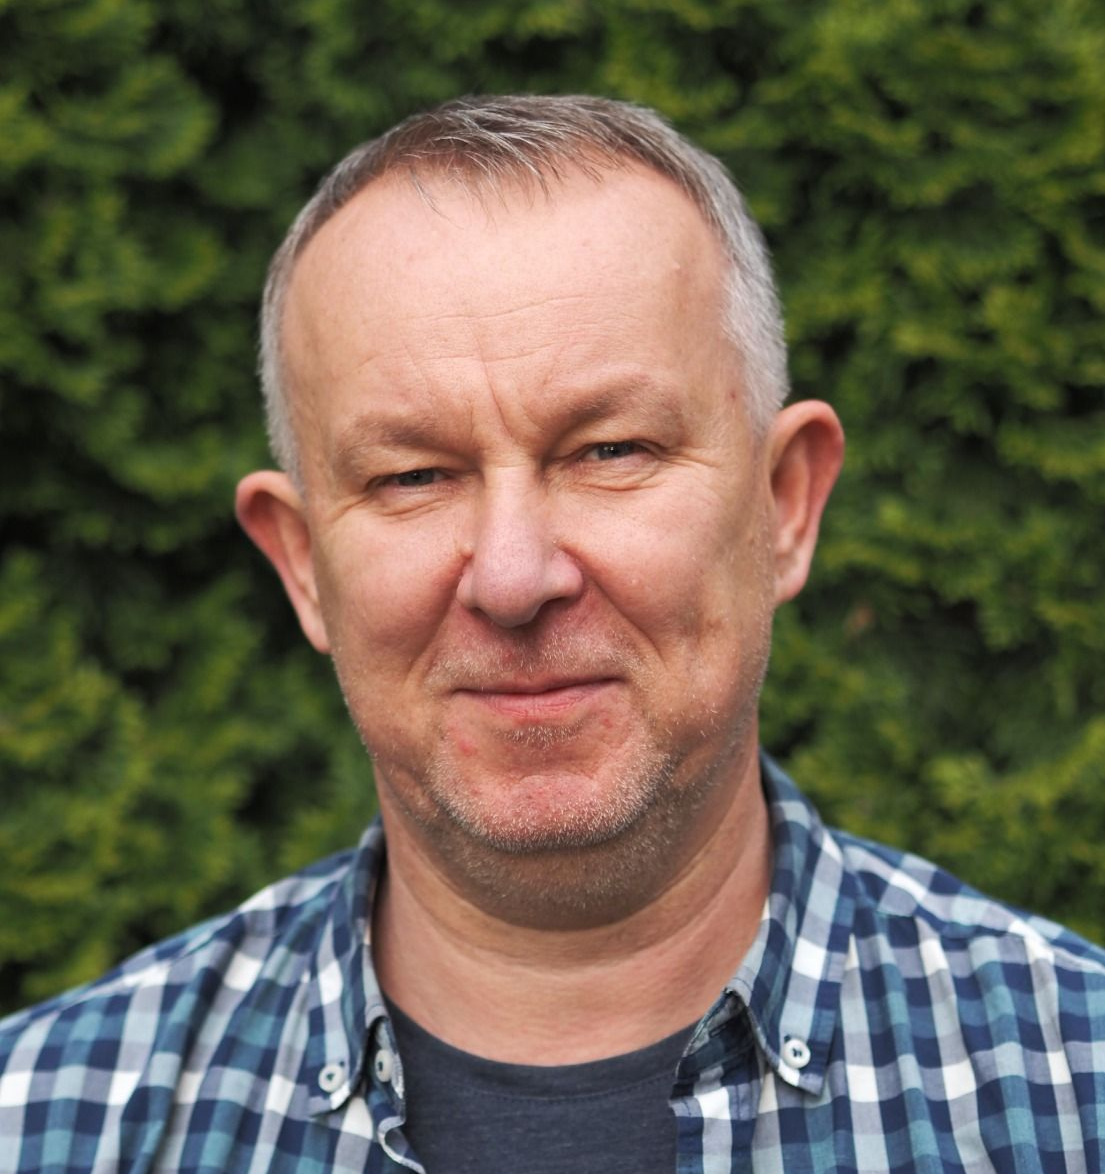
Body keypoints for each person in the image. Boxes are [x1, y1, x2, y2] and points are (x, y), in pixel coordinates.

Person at [1, 94, 1103, 1174]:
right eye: (413, 475)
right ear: (302, 565)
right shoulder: (48, 1120)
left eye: (609, 450)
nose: (514, 575)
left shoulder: (1072, 1086)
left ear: (784, 505)